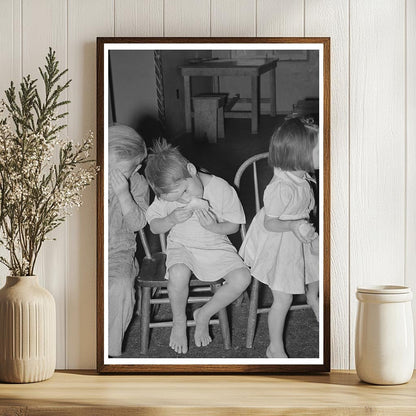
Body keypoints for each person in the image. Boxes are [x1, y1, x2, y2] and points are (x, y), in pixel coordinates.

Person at [145, 139, 251, 354]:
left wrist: (214, 226)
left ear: (191, 171)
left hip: (215, 242)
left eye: (185, 192)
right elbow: (155, 227)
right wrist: (171, 219)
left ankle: (203, 314)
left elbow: (233, 226)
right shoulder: (169, 191)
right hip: (181, 244)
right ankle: (179, 321)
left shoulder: (220, 188)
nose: (185, 200)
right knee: (177, 273)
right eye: (177, 198)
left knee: (242, 278)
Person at [239, 117, 320, 358]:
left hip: (300, 235)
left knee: (318, 271)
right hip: (280, 241)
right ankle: (274, 346)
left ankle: (313, 298)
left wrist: (303, 224)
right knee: (283, 298)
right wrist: (295, 225)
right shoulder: (281, 188)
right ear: (300, 155)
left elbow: (309, 208)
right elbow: (270, 222)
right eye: (319, 149)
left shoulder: (303, 176)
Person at [108, 124, 149, 357]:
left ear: (136, 168)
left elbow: (138, 224)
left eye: (121, 173)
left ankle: (110, 352)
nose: (113, 178)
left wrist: (124, 194)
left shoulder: (138, 183)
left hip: (119, 251)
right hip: (86, 251)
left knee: (120, 286)